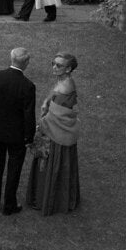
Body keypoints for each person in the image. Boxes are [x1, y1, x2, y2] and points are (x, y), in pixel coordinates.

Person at [0, 47, 36, 214]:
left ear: (11, 59)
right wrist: (29, 137)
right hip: (16, 136)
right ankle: (9, 205)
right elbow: (29, 115)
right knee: (14, 170)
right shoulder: (28, 86)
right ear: (26, 63)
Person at [26, 51, 81, 215]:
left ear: (68, 69)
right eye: (53, 63)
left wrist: (40, 125)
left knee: (50, 165)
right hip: (59, 133)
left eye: (59, 65)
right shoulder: (64, 82)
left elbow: (55, 116)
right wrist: (46, 103)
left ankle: (49, 199)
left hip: (56, 136)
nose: (54, 67)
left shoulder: (65, 87)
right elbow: (53, 101)